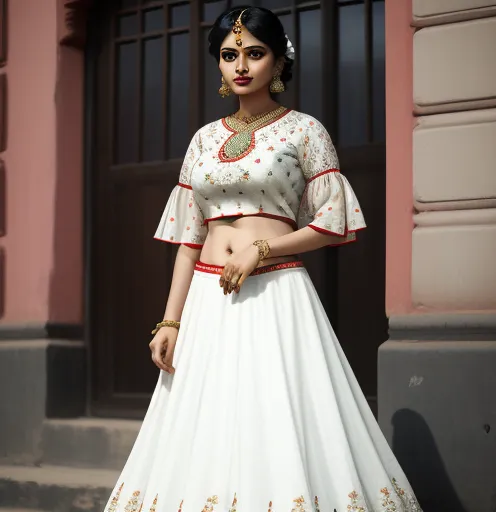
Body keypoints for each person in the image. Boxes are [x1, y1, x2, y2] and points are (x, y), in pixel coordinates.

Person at [104, 6, 421, 512]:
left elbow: (330, 223)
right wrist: (170, 320)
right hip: (209, 301)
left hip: (276, 293)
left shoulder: (305, 131)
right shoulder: (204, 140)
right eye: (230, 55)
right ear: (219, 66)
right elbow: (190, 237)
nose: (242, 65)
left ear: (278, 61)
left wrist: (262, 247)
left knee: (273, 418)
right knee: (205, 425)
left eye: (255, 53)